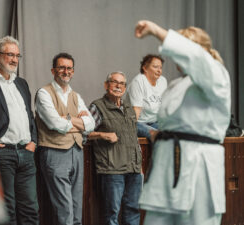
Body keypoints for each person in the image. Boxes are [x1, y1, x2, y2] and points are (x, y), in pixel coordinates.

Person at [135, 21, 231, 225]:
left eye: (181, 46)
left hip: (199, 166)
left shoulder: (217, 76)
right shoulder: (176, 85)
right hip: (166, 166)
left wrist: (156, 31)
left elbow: (197, 59)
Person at [35, 52, 95, 225]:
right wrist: (78, 121)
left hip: (77, 152)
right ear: (53, 70)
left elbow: (90, 125)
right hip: (54, 152)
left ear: (73, 72)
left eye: (69, 68)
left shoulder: (76, 96)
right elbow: (55, 124)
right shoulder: (44, 93)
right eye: (61, 67)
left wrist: (66, 118)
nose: (66, 71)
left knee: (77, 206)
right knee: (64, 208)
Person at [0, 36, 39, 225]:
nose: (15, 60)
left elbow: (29, 115)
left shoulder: (21, 83)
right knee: (6, 211)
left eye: (17, 55)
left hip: (26, 153)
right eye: (10, 54)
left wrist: (33, 140)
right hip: (1, 154)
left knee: (31, 209)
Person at [88, 72, 142, 225]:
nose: (118, 86)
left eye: (122, 83)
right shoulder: (97, 106)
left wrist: (139, 167)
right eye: (114, 82)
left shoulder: (129, 109)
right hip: (112, 170)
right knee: (112, 213)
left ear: (125, 88)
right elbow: (84, 132)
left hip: (134, 170)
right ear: (106, 85)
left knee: (133, 211)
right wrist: (102, 135)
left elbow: (133, 136)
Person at [127, 54, 167, 139]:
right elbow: (135, 113)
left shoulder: (163, 81)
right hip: (138, 123)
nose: (159, 70)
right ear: (145, 68)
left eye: (160, 67)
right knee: (158, 136)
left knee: (175, 132)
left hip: (155, 122)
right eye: (155, 67)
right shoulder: (138, 82)